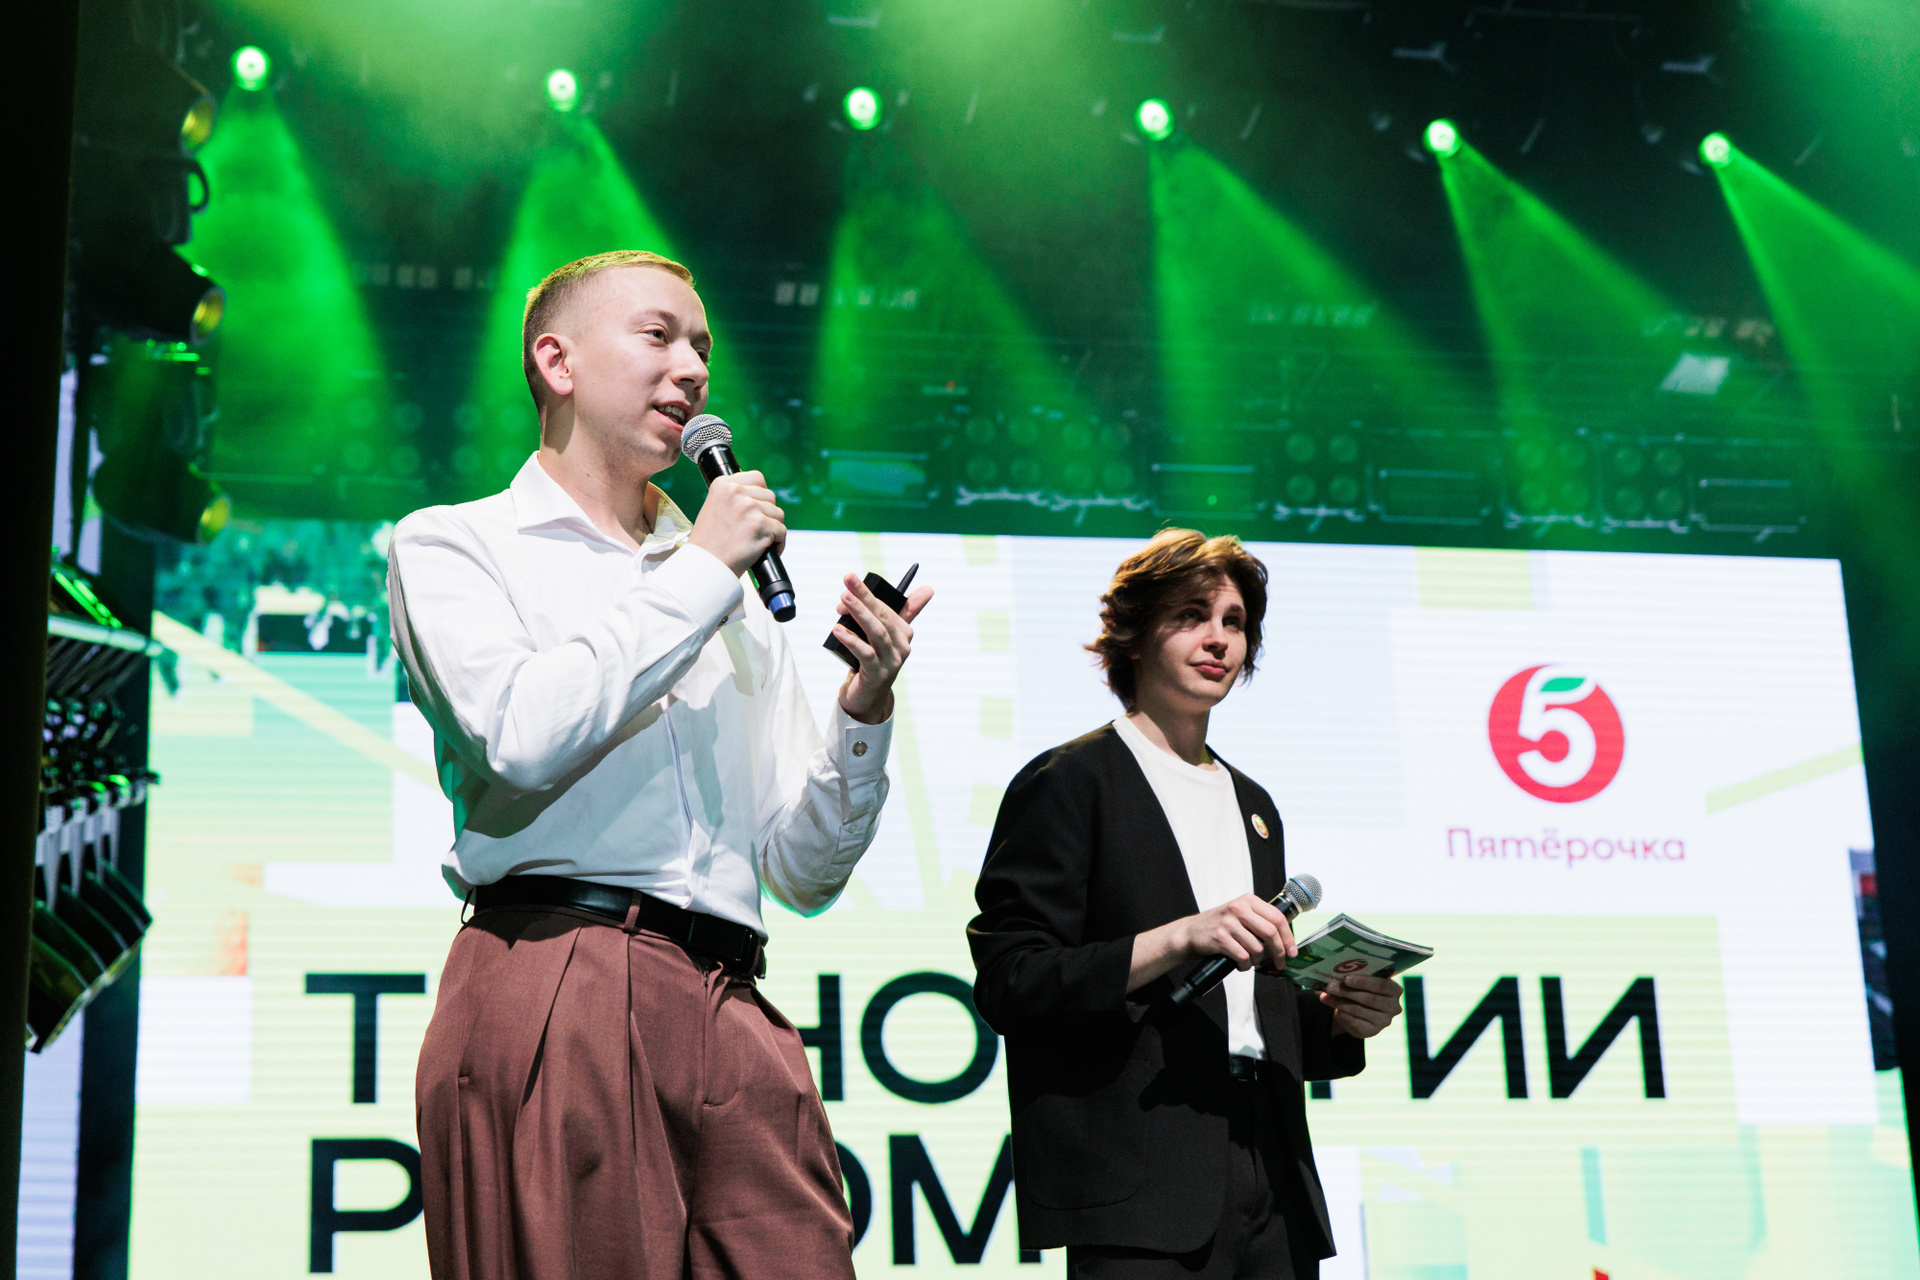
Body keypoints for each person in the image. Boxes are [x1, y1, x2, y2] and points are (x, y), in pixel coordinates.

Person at [388, 249, 931, 1280]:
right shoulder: (455, 545)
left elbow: (801, 870)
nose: (693, 369)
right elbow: (520, 734)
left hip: (733, 994)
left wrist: (863, 710)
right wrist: (704, 569)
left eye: (703, 348)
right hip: (559, 968)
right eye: (658, 336)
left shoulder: (727, 585)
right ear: (556, 361)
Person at [968, 529, 1402, 1280]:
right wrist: (1178, 938)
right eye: (1192, 616)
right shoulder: (1070, 782)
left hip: (1273, 1167)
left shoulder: (1255, 804)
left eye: (1235, 622)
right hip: (1142, 1172)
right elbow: (1015, 981)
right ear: (1135, 635)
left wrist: (1338, 1019)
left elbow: (1250, 1009)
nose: (1219, 639)